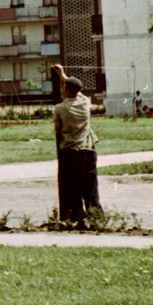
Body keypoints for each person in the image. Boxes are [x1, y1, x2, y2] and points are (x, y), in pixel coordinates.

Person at [52, 66, 101, 228]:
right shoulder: (85, 103)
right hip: (89, 149)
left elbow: (58, 130)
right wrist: (63, 75)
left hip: (71, 151)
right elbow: (77, 91)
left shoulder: (59, 109)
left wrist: (62, 76)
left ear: (65, 90)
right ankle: (96, 218)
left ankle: (80, 219)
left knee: (73, 187)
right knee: (90, 186)